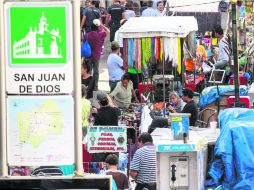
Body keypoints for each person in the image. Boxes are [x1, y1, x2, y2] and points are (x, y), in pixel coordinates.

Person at [82, 19, 109, 90]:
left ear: (91, 27)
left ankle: (87, 85)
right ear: (98, 27)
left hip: (88, 55)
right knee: (96, 71)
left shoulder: (87, 35)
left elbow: (81, 44)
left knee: (88, 71)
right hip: (96, 56)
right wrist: (102, 25)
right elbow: (108, 31)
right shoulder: (100, 34)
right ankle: (95, 86)